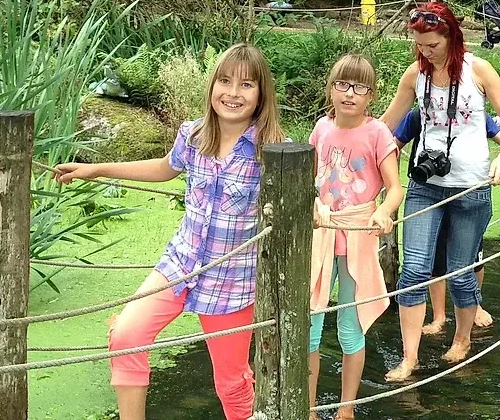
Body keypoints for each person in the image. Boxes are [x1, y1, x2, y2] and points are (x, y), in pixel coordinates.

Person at [53, 44, 284, 420]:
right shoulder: (193, 135)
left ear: (261, 95)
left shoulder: (270, 148)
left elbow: (303, 194)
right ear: (212, 87)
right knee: (126, 335)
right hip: (180, 264)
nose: (233, 93)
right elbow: (165, 167)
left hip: (233, 279)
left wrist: (320, 208)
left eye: (246, 85)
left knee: (232, 381)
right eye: (224, 81)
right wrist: (97, 170)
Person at [379, 2, 500, 380]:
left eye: (432, 45)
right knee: (413, 271)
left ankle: (462, 338)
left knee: (461, 272)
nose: (425, 52)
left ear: (451, 38)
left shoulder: (479, 70)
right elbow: (387, 124)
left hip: (471, 186)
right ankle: (409, 357)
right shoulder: (414, 75)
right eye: (420, 46)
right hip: (425, 187)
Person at [308, 55, 403, 418]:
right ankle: (310, 407)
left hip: (357, 239)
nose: (350, 94)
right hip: (320, 237)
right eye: (342, 85)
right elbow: (311, 181)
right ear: (330, 89)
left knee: (351, 327)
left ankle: (346, 409)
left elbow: (395, 188)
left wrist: (382, 211)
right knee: (310, 326)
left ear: (372, 95)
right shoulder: (321, 129)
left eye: (360, 87)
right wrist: (313, 206)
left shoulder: (378, 132)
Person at [393, 109, 500, 334]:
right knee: (433, 258)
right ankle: (439, 316)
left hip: (469, 193)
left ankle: (476, 304)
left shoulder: (474, 113)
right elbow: (391, 146)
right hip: (429, 194)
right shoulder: (417, 114)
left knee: (472, 258)